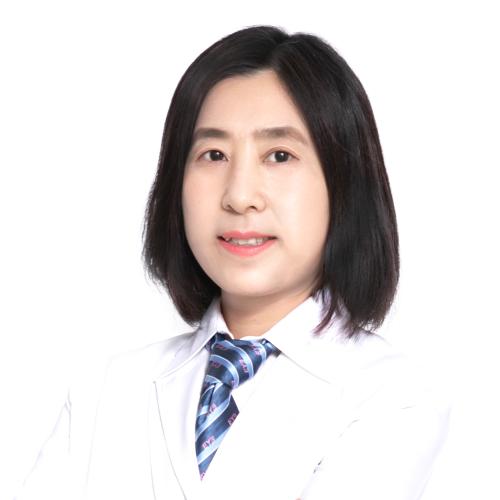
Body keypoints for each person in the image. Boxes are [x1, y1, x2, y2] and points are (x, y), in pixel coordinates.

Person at [15, 25, 450, 500]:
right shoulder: (107, 389)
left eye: (279, 155)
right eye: (214, 154)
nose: (240, 196)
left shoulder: (394, 397)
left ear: (344, 184)